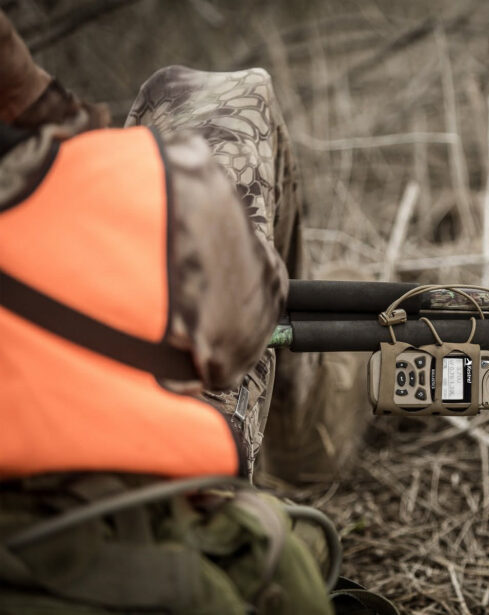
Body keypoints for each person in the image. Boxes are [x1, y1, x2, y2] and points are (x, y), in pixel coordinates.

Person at [0, 10, 390, 614]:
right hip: (137, 517)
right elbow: (247, 327)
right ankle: (314, 434)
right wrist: (52, 121)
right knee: (214, 92)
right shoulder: (145, 178)